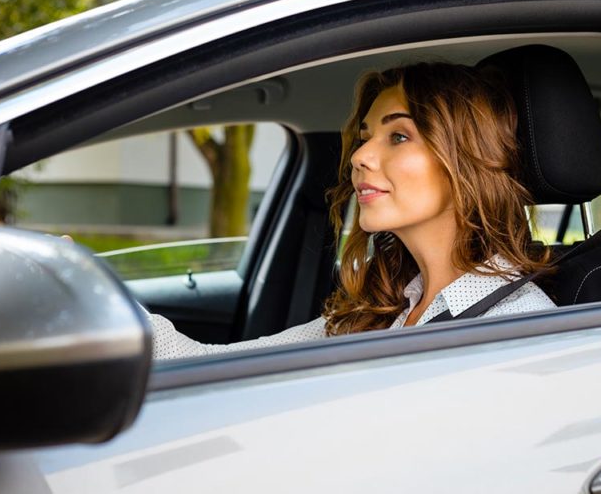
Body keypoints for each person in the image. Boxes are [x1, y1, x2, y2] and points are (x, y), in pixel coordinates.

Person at [149, 62, 556, 360]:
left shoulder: (518, 326)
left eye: (398, 135)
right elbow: (217, 368)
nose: (359, 155)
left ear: (466, 161)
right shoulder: (385, 307)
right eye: (365, 138)